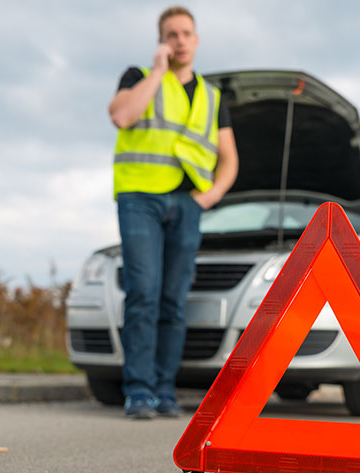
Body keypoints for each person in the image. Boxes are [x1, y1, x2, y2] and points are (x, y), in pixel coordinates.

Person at [107, 6, 238, 419]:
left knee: (173, 299)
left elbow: (229, 158)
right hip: (140, 199)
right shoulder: (138, 78)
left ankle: (165, 389)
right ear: (162, 42)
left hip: (187, 204)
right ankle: (139, 390)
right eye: (171, 35)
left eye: (185, 33)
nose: (180, 40)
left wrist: (209, 197)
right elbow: (123, 115)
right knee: (143, 292)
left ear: (196, 40)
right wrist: (157, 71)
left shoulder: (213, 96)